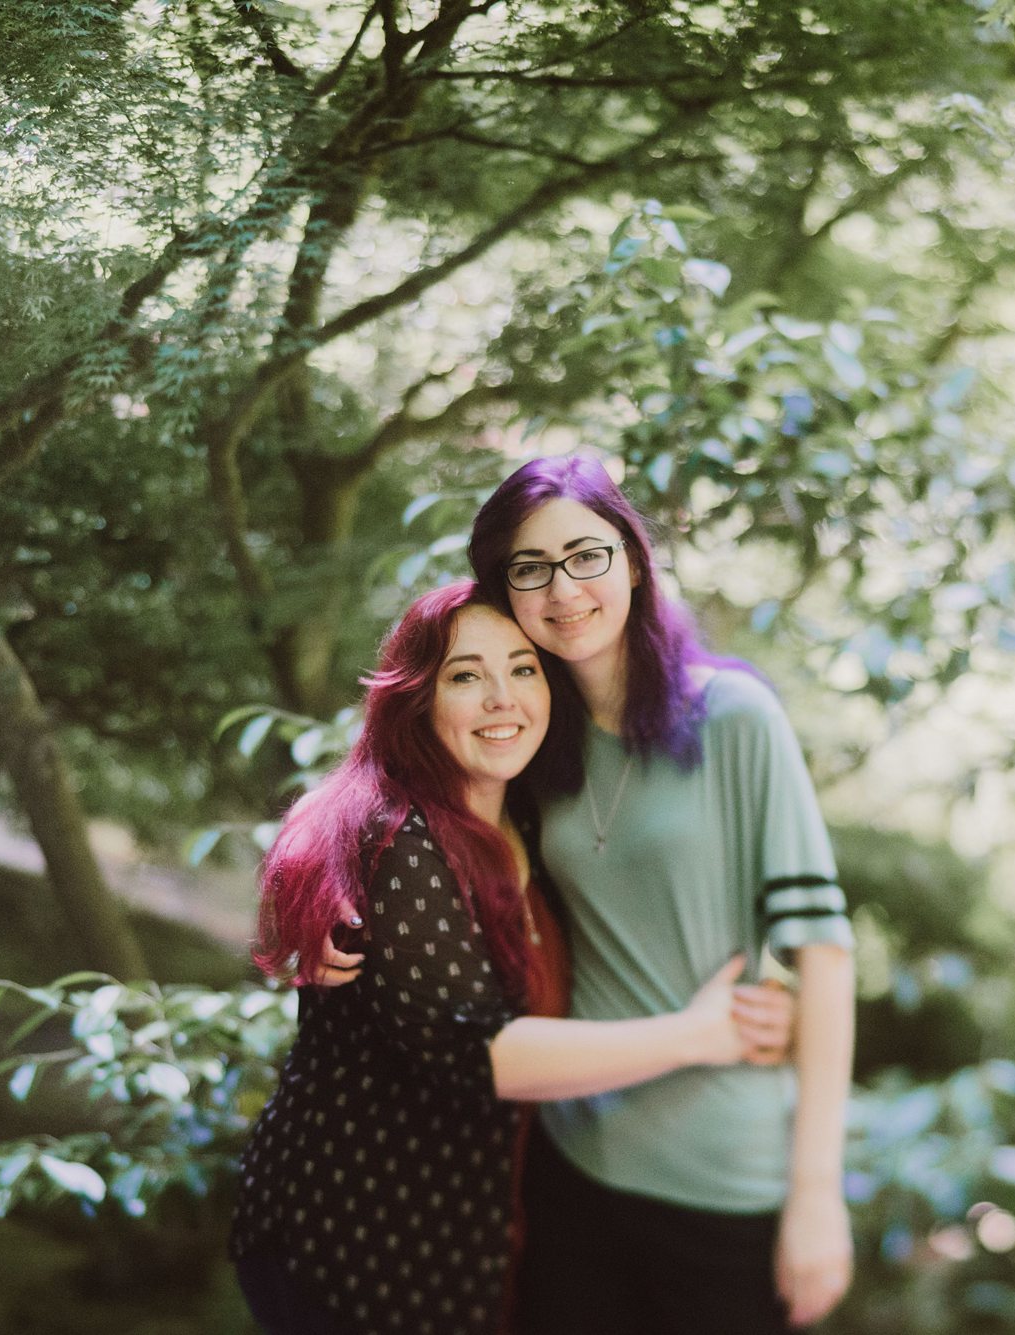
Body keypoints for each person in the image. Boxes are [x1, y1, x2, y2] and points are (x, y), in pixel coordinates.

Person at [230, 580, 791, 1335]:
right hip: (349, 1235)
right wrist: (700, 1034)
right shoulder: (400, 839)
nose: (502, 697)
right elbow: (476, 1046)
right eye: (466, 675)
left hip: (465, 1239)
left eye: (523, 668)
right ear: (418, 697)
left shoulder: (533, 819)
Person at [464, 454, 858, 1334]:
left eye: (585, 555)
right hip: (573, 1161)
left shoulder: (733, 718)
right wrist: (337, 927)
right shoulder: (528, 737)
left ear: (634, 560)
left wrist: (816, 1195)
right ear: (506, 592)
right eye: (530, 568)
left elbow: (824, 958)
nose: (563, 589)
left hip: (720, 1179)